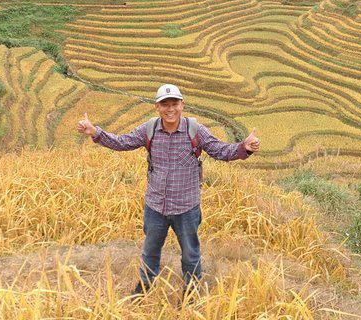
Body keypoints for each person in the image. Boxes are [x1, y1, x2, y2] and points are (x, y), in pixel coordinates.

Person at [76, 83, 260, 296]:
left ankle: (191, 292)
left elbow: (220, 150)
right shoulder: (149, 129)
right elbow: (122, 142)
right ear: (157, 107)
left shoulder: (195, 131)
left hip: (187, 207)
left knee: (191, 254)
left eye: (174, 104)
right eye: (165, 104)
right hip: (155, 206)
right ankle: (144, 289)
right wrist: (95, 132)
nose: (170, 109)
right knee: (150, 252)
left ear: (182, 105)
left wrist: (243, 147)